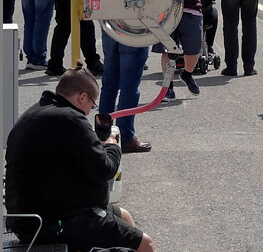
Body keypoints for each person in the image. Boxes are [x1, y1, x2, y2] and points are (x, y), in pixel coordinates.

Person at [5, 67, 157, 251]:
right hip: (55, 222)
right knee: (146, 244)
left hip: (37, 215)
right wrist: (111, 145)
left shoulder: (38, 112)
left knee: (123, 217)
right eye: (92, 105)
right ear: (82, 97)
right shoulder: (70, 119)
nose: (89, 111)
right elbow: (104, 170)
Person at [93, 0, 154, 154]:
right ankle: (126, 135)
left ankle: (102, 134)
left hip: (110, 26)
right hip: (133, 28)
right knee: (130, 84)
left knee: (110, 82)